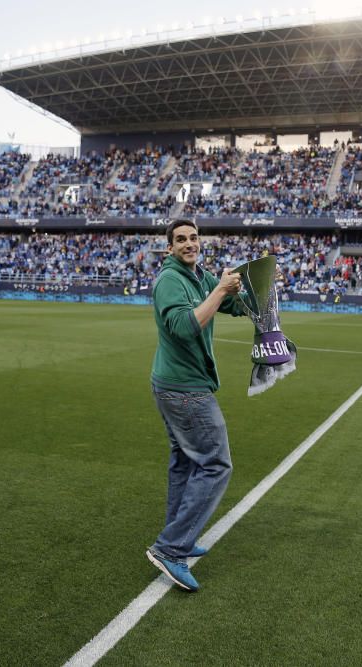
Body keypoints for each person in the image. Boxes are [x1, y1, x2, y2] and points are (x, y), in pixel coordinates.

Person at [145, 219, 244, 592]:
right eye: (181, 240)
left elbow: (230, 306)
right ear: (169, 247)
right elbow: (186, 327)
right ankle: (172, 547)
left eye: (194, 238)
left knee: (186, 462)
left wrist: (251, 284)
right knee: (217, 463)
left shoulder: (196, 275)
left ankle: (178, 538)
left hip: (177, 385)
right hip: (184, 389)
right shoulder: (170, 280)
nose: (190, 244)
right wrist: (219, 288)